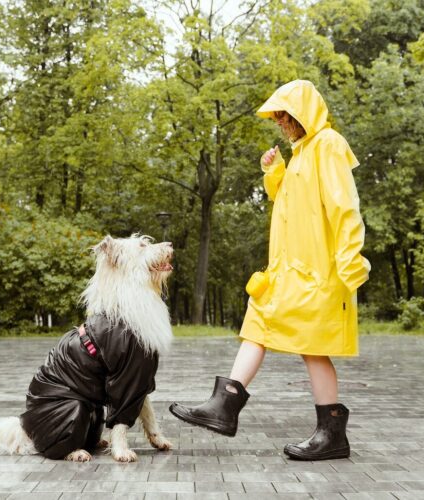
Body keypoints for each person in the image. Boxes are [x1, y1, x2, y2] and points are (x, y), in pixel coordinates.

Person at [170, 79, 371, 461]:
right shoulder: (303, 152)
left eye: (283, 117)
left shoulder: (327, 146)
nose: (279, 123)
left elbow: (345, 206)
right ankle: (225, 406)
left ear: (300, 115)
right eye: (277, 117)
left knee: (311, 349)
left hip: (318, 272)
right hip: (290, 270)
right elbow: (292, 200)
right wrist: (276, 172)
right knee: (259, 323)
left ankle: (329, 434)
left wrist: (350, 259)